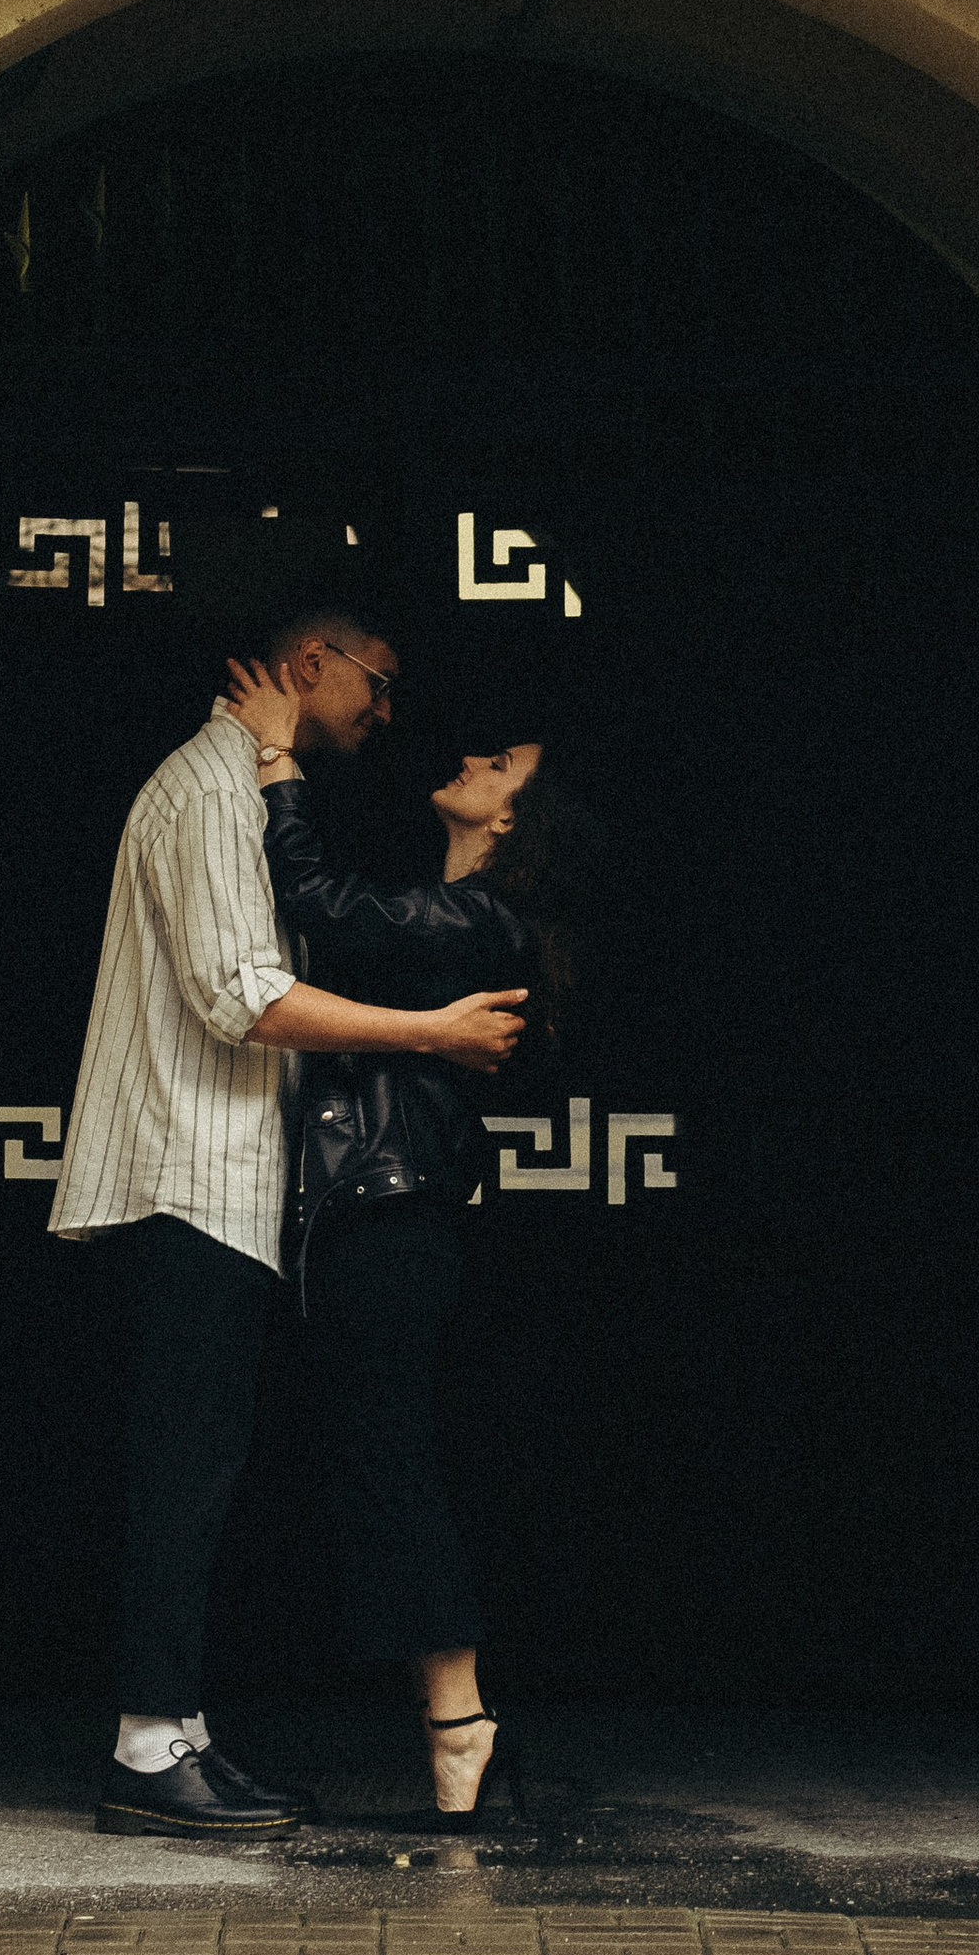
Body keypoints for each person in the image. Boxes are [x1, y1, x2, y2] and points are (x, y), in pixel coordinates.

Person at [48, 606, 529, 1841]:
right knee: (183, 1469)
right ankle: (149, 1748)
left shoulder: (243, 787)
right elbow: (239, 996)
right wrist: (430, 1034)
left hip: (218, 1179)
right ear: (310, 666)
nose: (386, 708)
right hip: (188, 1174)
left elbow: (320, 914)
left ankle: (179, 1734)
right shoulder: (211, 789)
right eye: (376, 679)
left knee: (201, 1466)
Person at [222, 654, 603, 1827]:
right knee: (374, 1462)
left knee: (388, 1464)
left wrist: (277, 756)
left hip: (388, 1222)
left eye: (501, 769)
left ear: (512, 821)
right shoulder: (451, 921)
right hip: (384, 1219)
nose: (474, 762)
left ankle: (458, 1720)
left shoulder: (479, 922)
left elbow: (322, 914)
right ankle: (450, 1717)